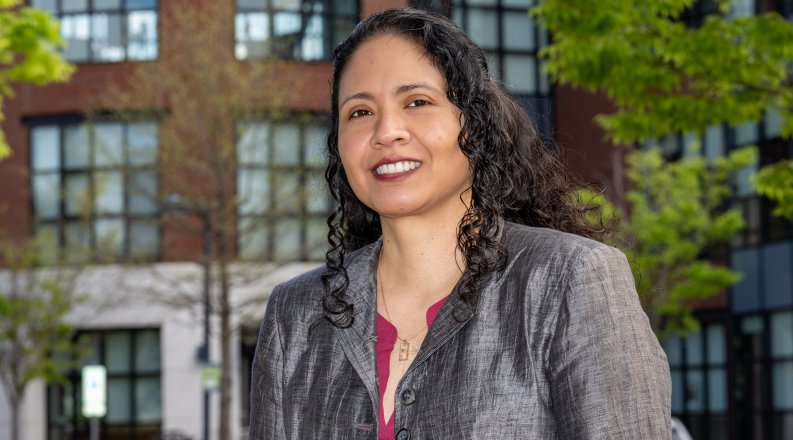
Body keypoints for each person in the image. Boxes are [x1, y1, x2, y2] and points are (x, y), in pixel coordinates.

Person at [249, 7, 671, 440]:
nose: (387, 131)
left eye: (418, 102)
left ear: (476, 127)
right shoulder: (295, 314)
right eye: (359, 112)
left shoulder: (569, 280)